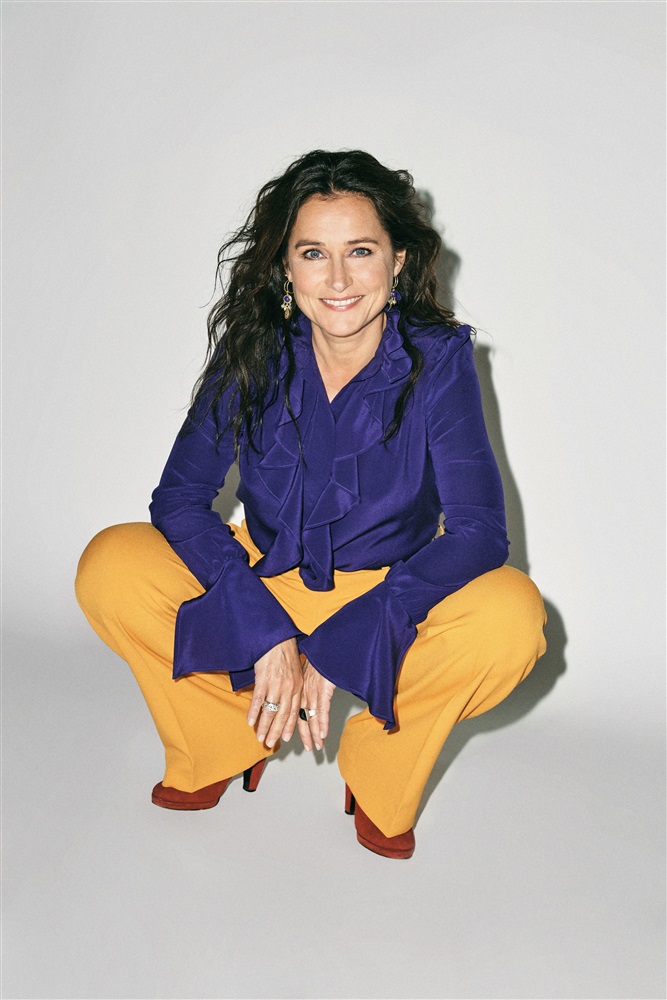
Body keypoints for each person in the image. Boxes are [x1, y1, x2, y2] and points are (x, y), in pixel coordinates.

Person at [75, 149, 546, 860]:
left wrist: (356, 634)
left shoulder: (439, 360)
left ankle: (380, 759)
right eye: (313, 253)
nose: (338, 279)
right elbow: (179, 498)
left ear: (397, 261)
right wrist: (261, 626)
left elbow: (479, 532)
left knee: (511, 617)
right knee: (112, 563)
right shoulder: (253, 348)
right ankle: (222, 734)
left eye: (360, 250)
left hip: (391, 590)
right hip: (265, 574)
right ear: (285, 269)